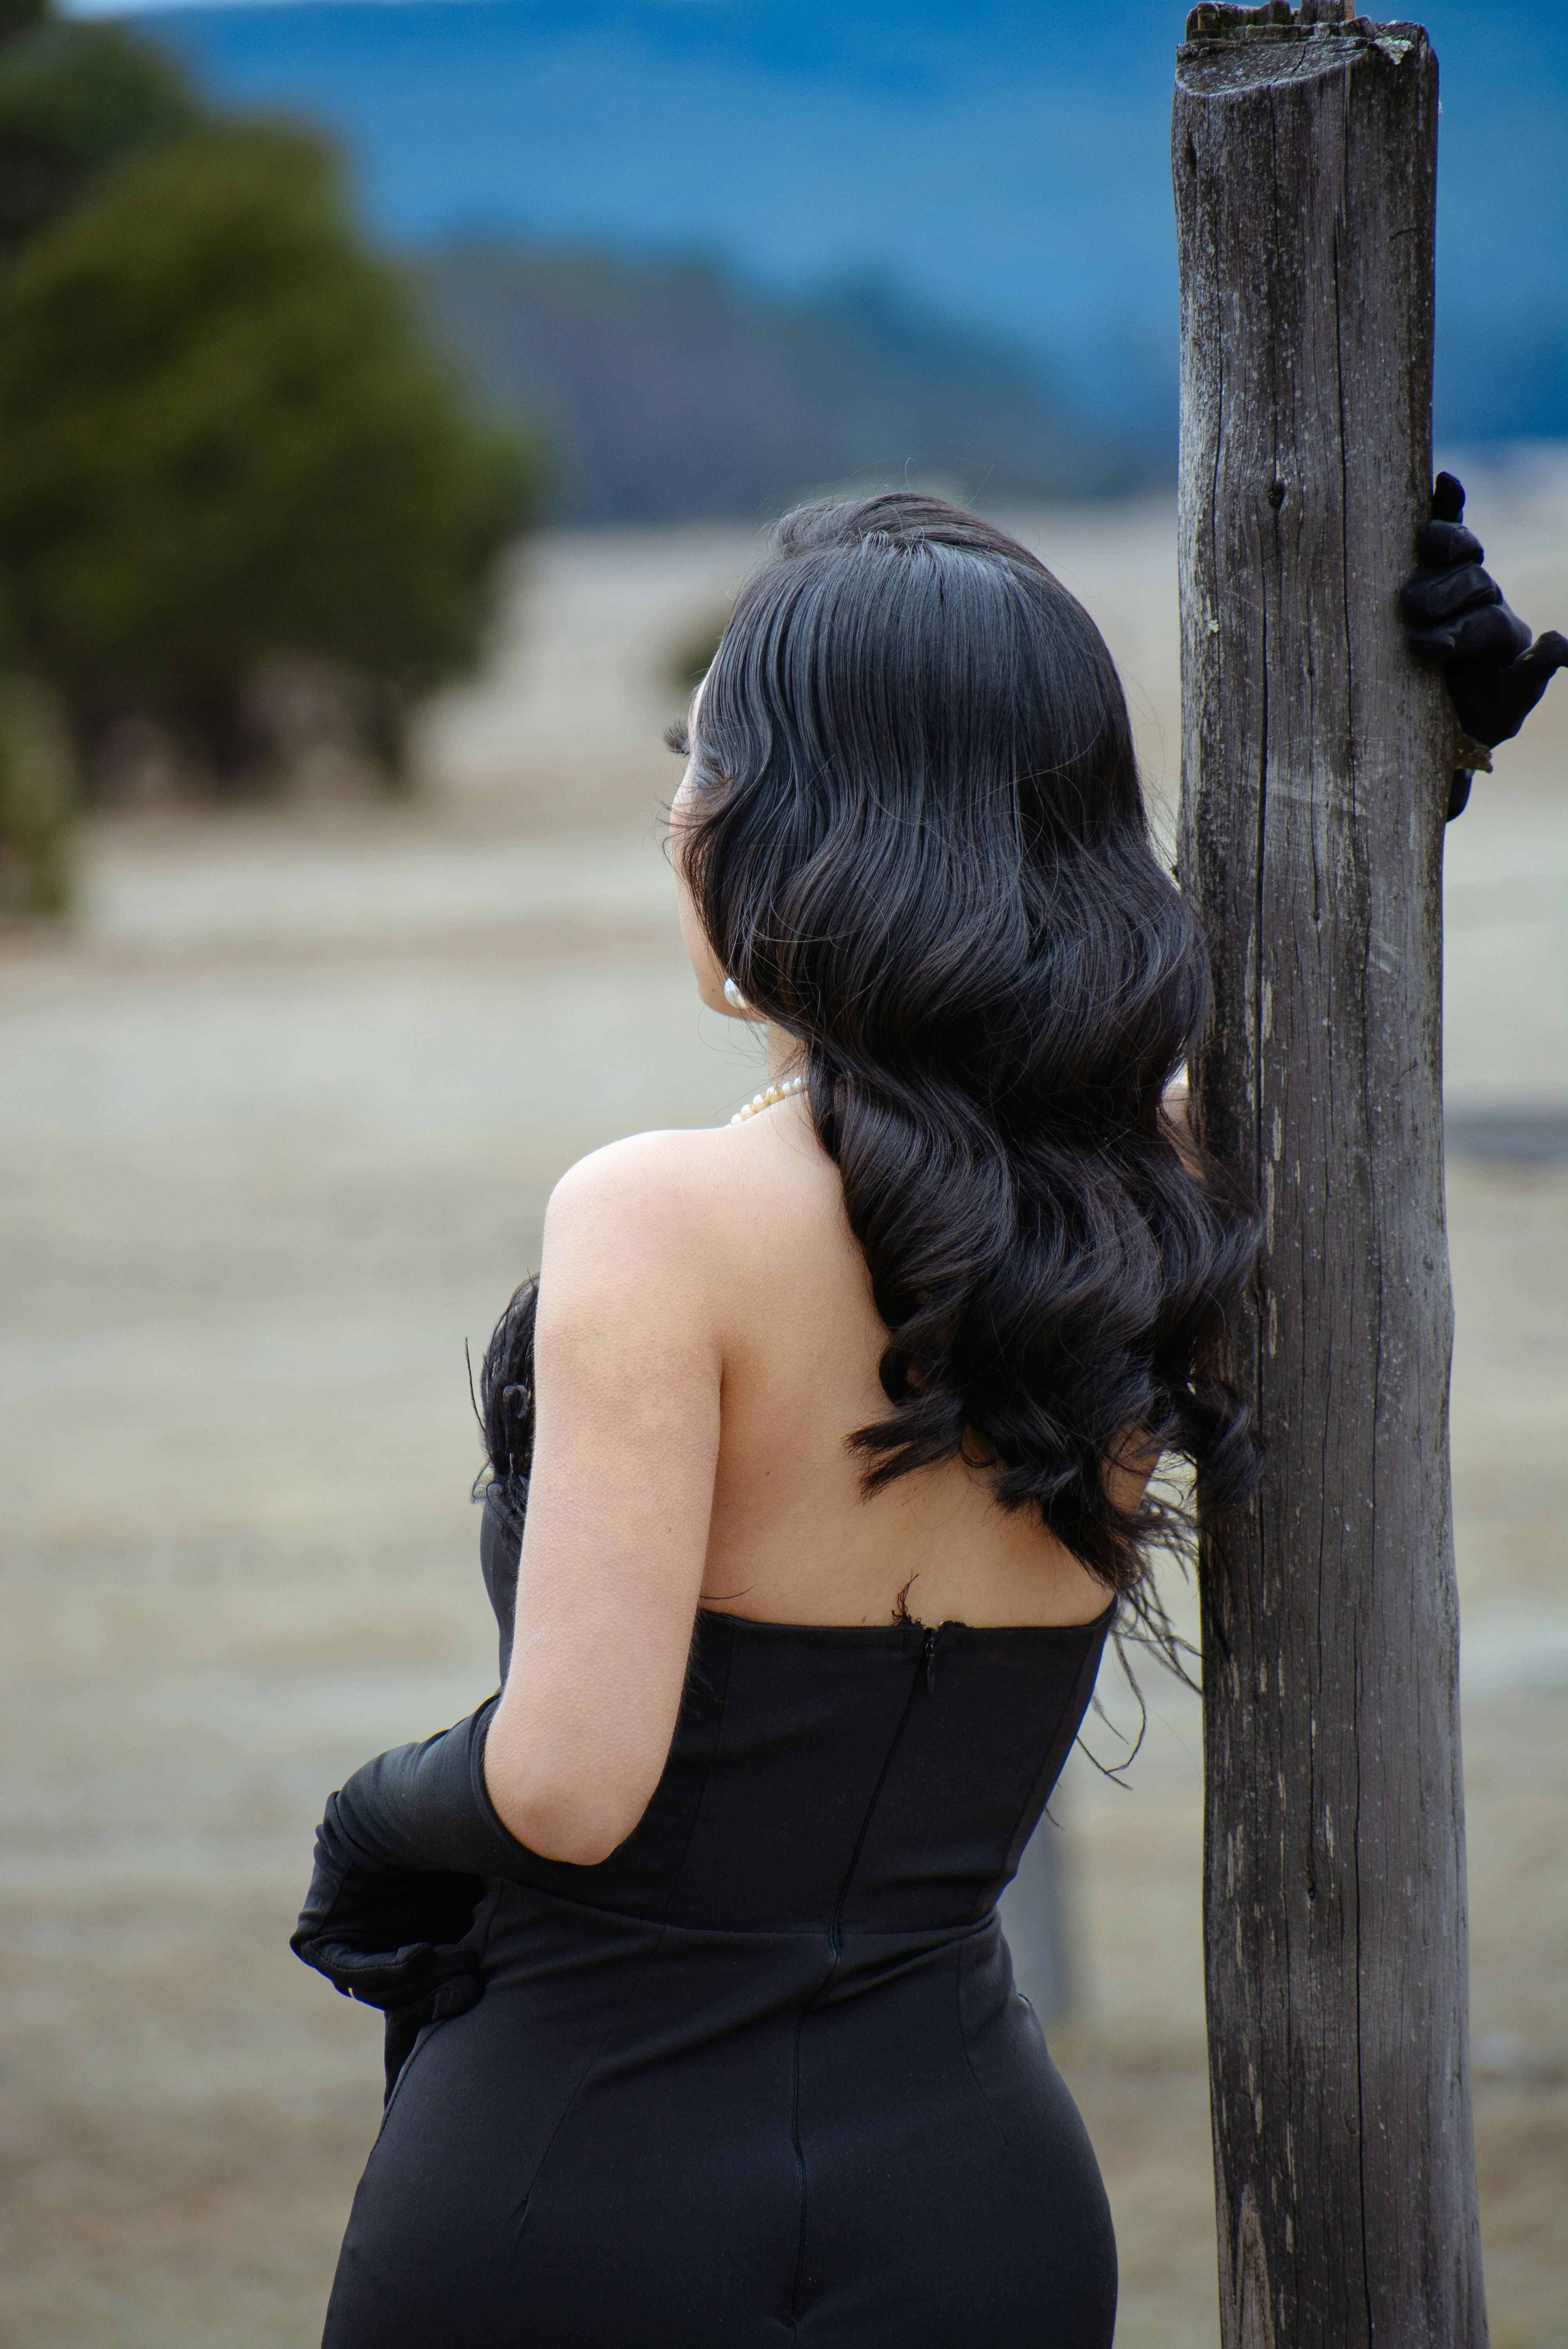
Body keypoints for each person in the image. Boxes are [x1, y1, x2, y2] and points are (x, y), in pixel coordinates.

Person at [291, 483, 1559, 2348]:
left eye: (699, 758)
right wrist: (1400, 789)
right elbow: (1319, 1048)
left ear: (801, 823)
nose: (679, 808)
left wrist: (371, 1818)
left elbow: (570, 1779)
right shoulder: (1154, 1203)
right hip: (978, 2199)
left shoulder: (654, 1215)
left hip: (581, 2182)